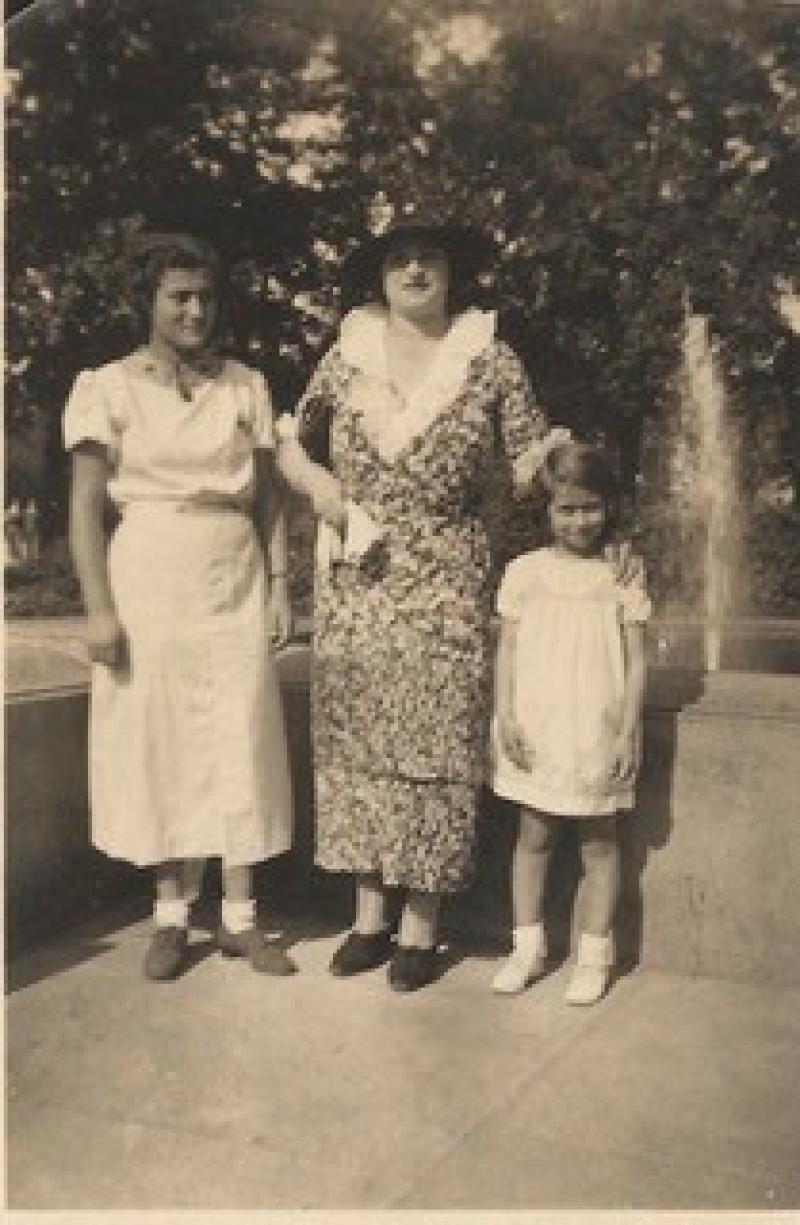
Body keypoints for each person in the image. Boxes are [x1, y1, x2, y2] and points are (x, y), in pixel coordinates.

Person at [293, 210, 573, 992]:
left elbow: (529, 460)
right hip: (356, 575)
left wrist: (575, 490)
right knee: (362, 744)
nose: (415, 271)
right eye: (399, 260)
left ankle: (421, 924)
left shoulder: (488, 358)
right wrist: (319, 484)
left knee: (437, 744)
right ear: (380, 276)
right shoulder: (346, 354)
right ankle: (368, 917)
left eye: (430, 260)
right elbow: (291, 438)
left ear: (452, 274)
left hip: (448, 573)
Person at [65, 231, 342, 982]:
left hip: (232, 574)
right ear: (150, 302)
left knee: (238, 731)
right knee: (161, 737)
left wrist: (282, 582)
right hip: (148, 573)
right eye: (178, 296)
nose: (194, 310)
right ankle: (170, 915)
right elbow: (86, 509)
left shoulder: (244, 384)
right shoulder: (108, 387)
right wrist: (99, 610)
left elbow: (266, 497)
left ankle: (242, 918)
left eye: (205, 296)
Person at [491, 441, 650, 1005]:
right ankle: (527, 946)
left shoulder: (621, 575)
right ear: (546, 510)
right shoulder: (524, 573)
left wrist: (629, 729)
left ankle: (593, 954)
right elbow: (507, 653)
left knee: (599, 843)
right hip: (539, 724)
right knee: (532, 837)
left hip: (595, 729)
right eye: (567, 508)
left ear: (609, 507)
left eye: (592, 507)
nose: (581, 520)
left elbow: (636, 660)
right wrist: (505, 715)